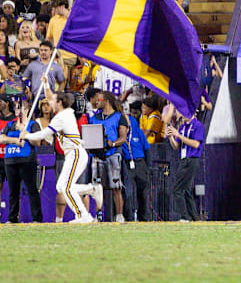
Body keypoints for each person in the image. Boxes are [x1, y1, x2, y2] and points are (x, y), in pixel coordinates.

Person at [20, 82, 102, 223]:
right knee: (61, 186)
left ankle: (83, 215)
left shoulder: (61, 117)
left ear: (59, 103)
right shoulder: (66, 112)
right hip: (73, 153)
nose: (49, 102)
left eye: (52, 101)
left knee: (67, 188)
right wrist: (45, 83)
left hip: (75, 153)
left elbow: (43, 134)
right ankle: (91, 189)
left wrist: (26, 135)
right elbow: (51, 96)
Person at [1, 97, 42, 223]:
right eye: (17, 108)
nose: (18, 111)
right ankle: (13, 218)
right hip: (10, 161)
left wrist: (23, 132)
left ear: (27, 110)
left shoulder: (33, 125)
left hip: (27, 161)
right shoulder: (10, 124)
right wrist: (14, 141)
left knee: (31, 190)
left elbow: (37, 142)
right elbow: (1, 138)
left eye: (21, 108)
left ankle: (36, 218)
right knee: (13, 192)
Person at [89, 91, 129, 222]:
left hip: (112, 154)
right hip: (97, 154)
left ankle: (119, 215)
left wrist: (113, 143)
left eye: (98, 99)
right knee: (97, 187)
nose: (96, 102)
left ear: (106, 100)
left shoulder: (119, 117)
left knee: (116, 186)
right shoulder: (94, 118)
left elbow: (123, 137)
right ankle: (99, 215)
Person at [165, 105, 204, 222]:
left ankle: (184, 216)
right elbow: (176, 146)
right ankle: (194, 217)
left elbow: (196, 144)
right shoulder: (182, 127)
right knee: (186, 190)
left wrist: (178, 135)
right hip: (183, 159)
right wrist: (171, 136)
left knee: (177, 189)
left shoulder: (198, 126)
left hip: (192, 158)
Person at [122, 101, 151, 221]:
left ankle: (144, 218)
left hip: (140, 163)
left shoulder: (137, 130)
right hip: (126, 163)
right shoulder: (119, 135)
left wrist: (148, 168)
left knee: (143, 193)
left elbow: (147, 148)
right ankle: (128, 218)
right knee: (128, 193)